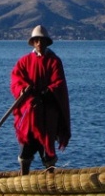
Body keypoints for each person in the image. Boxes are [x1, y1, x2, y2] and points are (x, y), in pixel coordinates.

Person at [10, 25, 70, 175]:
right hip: (29, 114)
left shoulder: (54, 61)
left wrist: (43, 94)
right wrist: (23, 89)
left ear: (46, 42)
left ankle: (51, 182)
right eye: (36, 41)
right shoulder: (24, 61)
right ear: (33, 43)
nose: (39, 44)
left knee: (47, 151)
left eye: (42, 41)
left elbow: (59, 83)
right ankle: (23, 181)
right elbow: (16, 79)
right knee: (25, 151)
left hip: (47, 115)